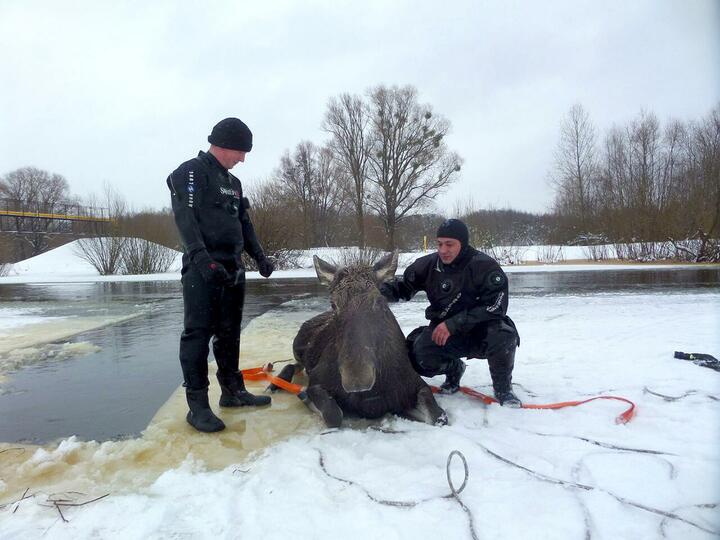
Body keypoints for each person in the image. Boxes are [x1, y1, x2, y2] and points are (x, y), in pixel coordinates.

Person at [167, 117, 275, 433]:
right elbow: (184, 218)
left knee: (230, 333)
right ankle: (197, 406)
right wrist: (202, 260)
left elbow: (245, 223)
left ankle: (233, 391)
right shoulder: (191, 172)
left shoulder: (234, 183)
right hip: (203, 270)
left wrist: (259, 257)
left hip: (232, 269)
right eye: (240, 152)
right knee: (197, 334)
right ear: (224, 144)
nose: (242, 159)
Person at [381, 219, 522, 407]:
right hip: (443, 335)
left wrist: (454, 323)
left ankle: (504, 390)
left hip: (481, 334)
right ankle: (454, 369)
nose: (443, 250)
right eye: (439, 244)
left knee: (504, 334)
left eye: (449, 244)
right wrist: (375, 291)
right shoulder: (427, 265)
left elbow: (496, 306)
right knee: (417, 355)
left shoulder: (485, 267)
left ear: (462, 244)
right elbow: (403, 288)